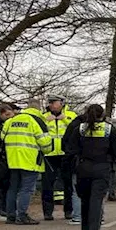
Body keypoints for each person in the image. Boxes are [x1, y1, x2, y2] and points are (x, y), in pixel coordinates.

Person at [63, 104, 116, 230]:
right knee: (96, 202)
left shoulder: (80, 129)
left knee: (85, 201)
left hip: (83, 168)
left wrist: (67, 168)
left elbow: (70, 150)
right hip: (102, 168)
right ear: (102, 115)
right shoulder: (109, 129)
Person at [3, 102, 54, 225]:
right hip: (30, 160)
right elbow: (45, 143)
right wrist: (48, 149)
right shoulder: (37, 121)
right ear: (38, 109)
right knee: (26, 189)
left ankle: (10, 216)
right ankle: (22, 216)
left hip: (13, 160)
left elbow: (2, 136)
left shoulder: (11, 120)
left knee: (13, 188)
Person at [41, 94, 79, 222]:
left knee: (68, 183)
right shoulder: (44, 117)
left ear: (62, 103)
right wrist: (47, 121)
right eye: (50, 102)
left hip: (66, 154)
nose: (51, 104)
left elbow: (77, 128)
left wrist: (65, 119)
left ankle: (68, 211)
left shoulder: (71, 115)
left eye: (54, 102)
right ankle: (47, 212)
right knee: (47, 184)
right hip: (49, 154)